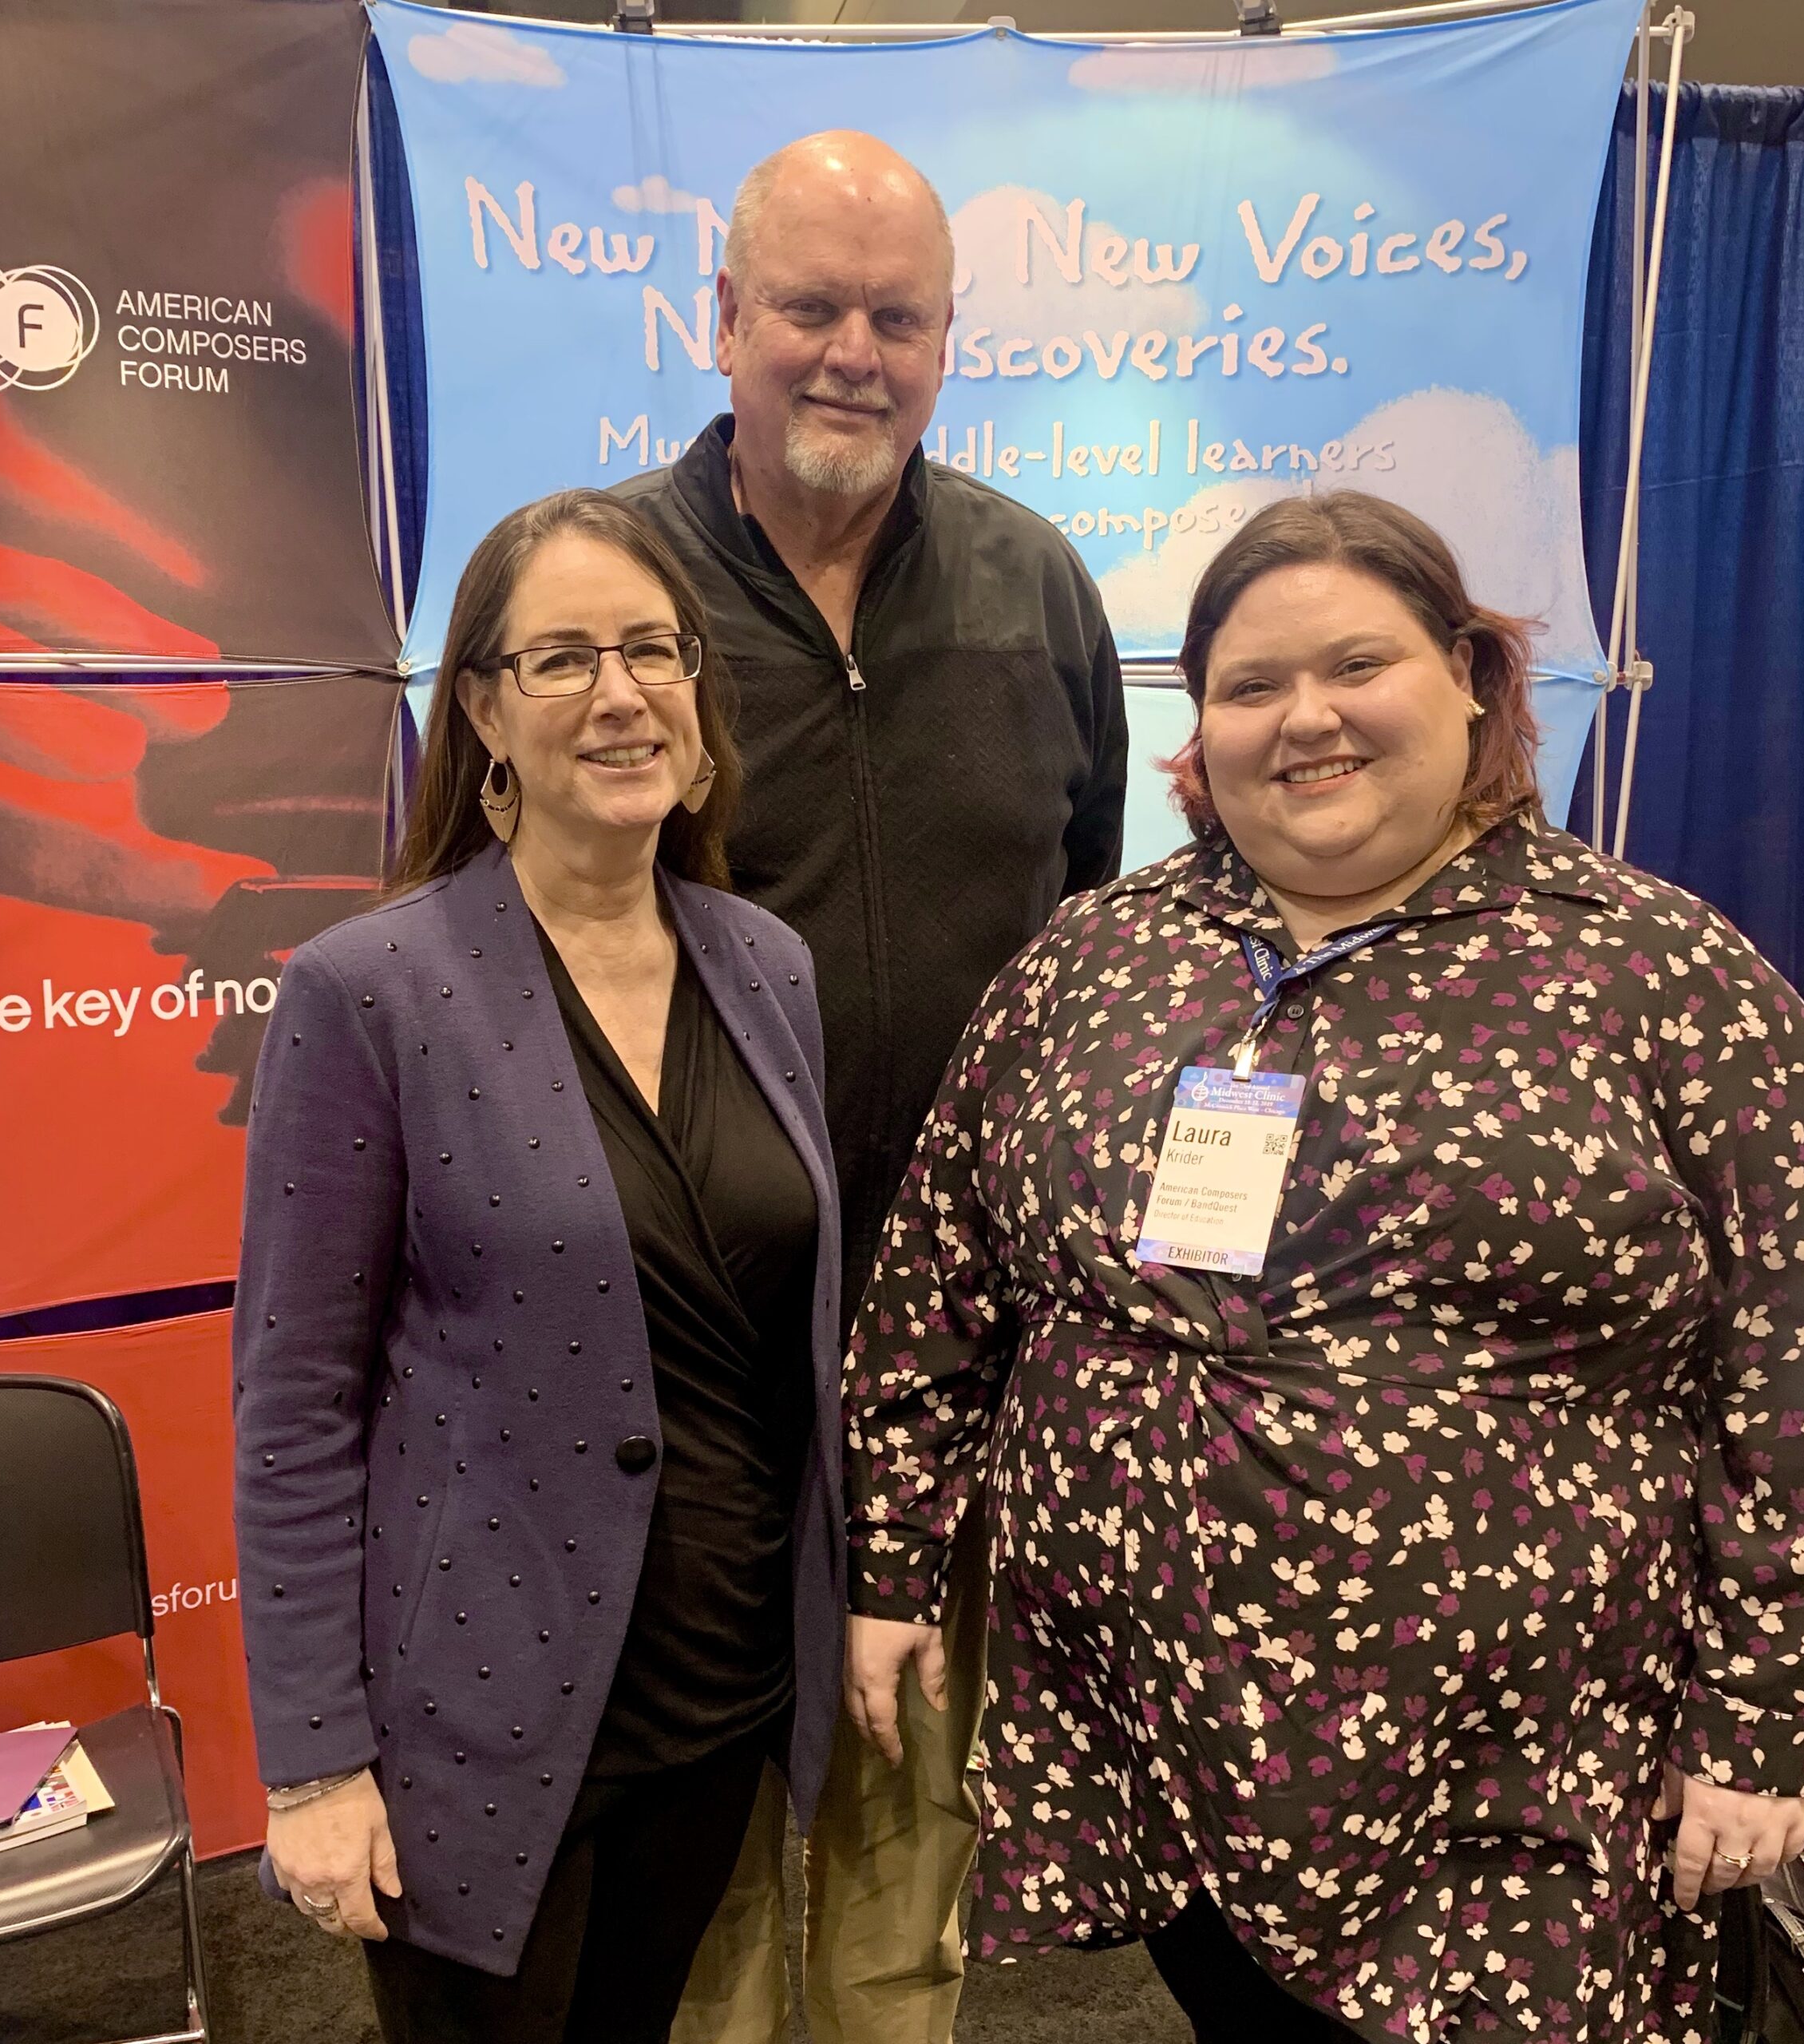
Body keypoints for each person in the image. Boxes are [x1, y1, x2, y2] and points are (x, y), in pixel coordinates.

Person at [842, 490, 1804, 2043]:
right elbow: (938, 1277)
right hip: (1162, 1749)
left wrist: (1761, 1719)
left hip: (1523, 1794)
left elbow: (1789, 1373)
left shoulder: (1661, 979)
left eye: (1352, 663)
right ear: (1199, 724)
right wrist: (891, 1559)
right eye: (1246, 683)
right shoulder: (1093, 960)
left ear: (1468, 677)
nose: (1302, 717)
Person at [612, 131, 1128, 2044]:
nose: (852, 351)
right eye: (809, 306)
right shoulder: (607, 591)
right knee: (704, 1874)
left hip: (958, 1352)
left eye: (894, 316)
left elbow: (1082, 915)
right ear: (718, 315)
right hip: (688, 1342)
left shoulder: (1032, 583)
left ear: (943, 340)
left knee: (915, 1840)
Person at [231, 489, 846, 2044]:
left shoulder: (765, 964)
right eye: (561, 655)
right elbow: (295, 1402)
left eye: (652, 648)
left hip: (718, 1679)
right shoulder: (368, 990)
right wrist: (311, 1760)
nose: (621, 691)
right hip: (482, 1704)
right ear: (486, 707)